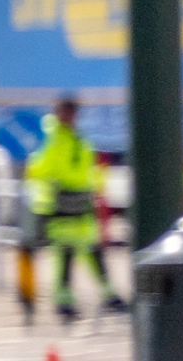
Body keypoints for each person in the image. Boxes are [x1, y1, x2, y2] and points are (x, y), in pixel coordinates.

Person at [27, 95, 118, 323]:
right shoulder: (53, 138)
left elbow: (89, 169)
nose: (69, 117)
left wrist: (96, 192)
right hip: (61, 205)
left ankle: (109, 296)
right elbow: (38, 169)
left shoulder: (78, 138)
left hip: (82, 206)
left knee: (94, 252)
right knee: (65, 257)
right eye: (65, 113)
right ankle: (64, 303)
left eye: (72, 113)